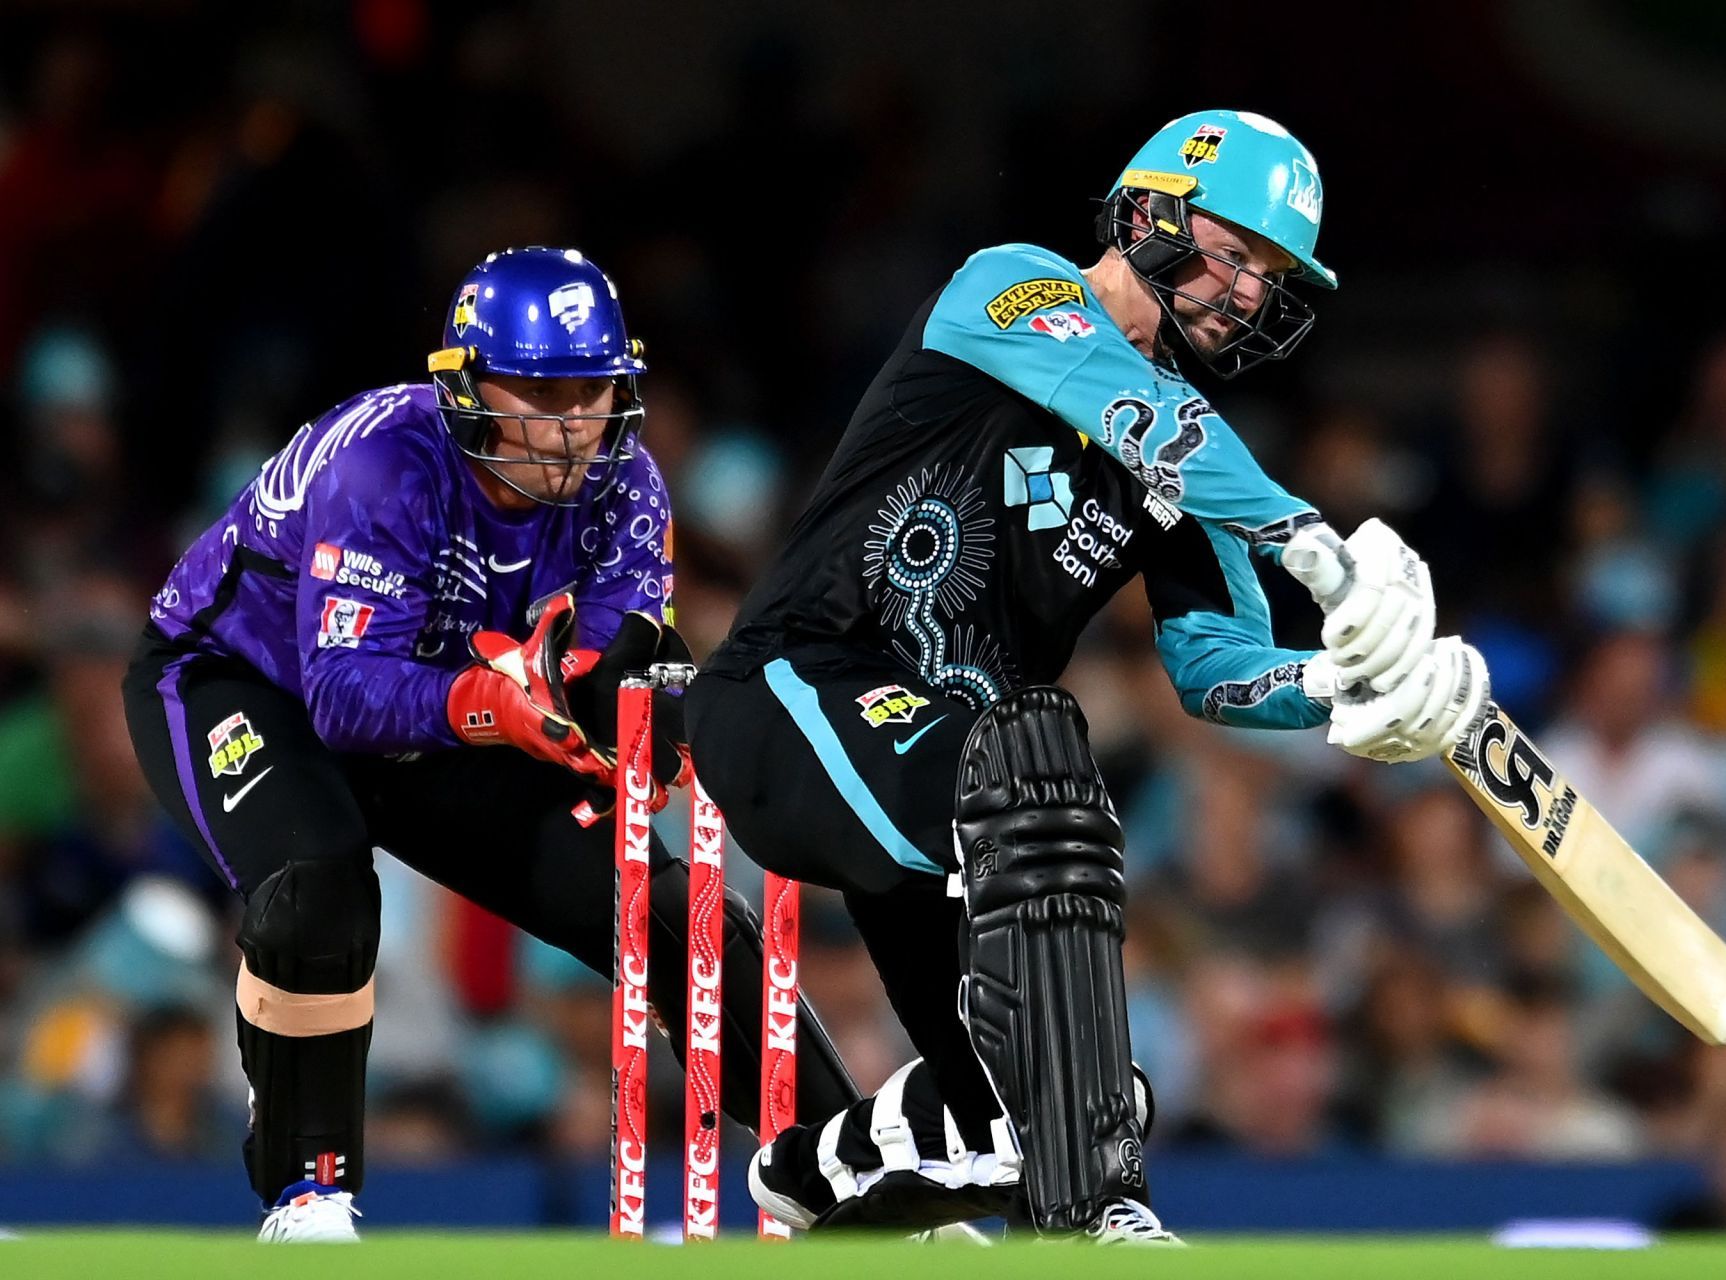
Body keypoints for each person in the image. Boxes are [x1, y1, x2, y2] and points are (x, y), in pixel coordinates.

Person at [685, 109, 1489, 1243]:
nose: (1253, 295)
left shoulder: (1199, 453)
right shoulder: (1010, 288)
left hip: (959, 794)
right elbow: (1139, 414)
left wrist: (1348, 690)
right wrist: (1319, 543)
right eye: (1238, 253)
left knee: (1050, 1108)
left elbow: (1215, 666)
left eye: (1273, 278)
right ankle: (1104, 1210)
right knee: (1039, 755)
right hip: (792, 695)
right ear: (1151, 210)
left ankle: (826, 1170)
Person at [121, 247, 859, 1242]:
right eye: (542, 391)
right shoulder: (383, 462)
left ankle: (858, 1177)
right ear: (470, 385)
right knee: (315, 886)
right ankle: (309, 1193)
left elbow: (609, 671)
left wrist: (642, 722)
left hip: (448, 709)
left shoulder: (629, 484)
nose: (572, 425)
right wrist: (500, 707)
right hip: (245, 681)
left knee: (669, 910)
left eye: (591, 391)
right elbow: (344, 696)